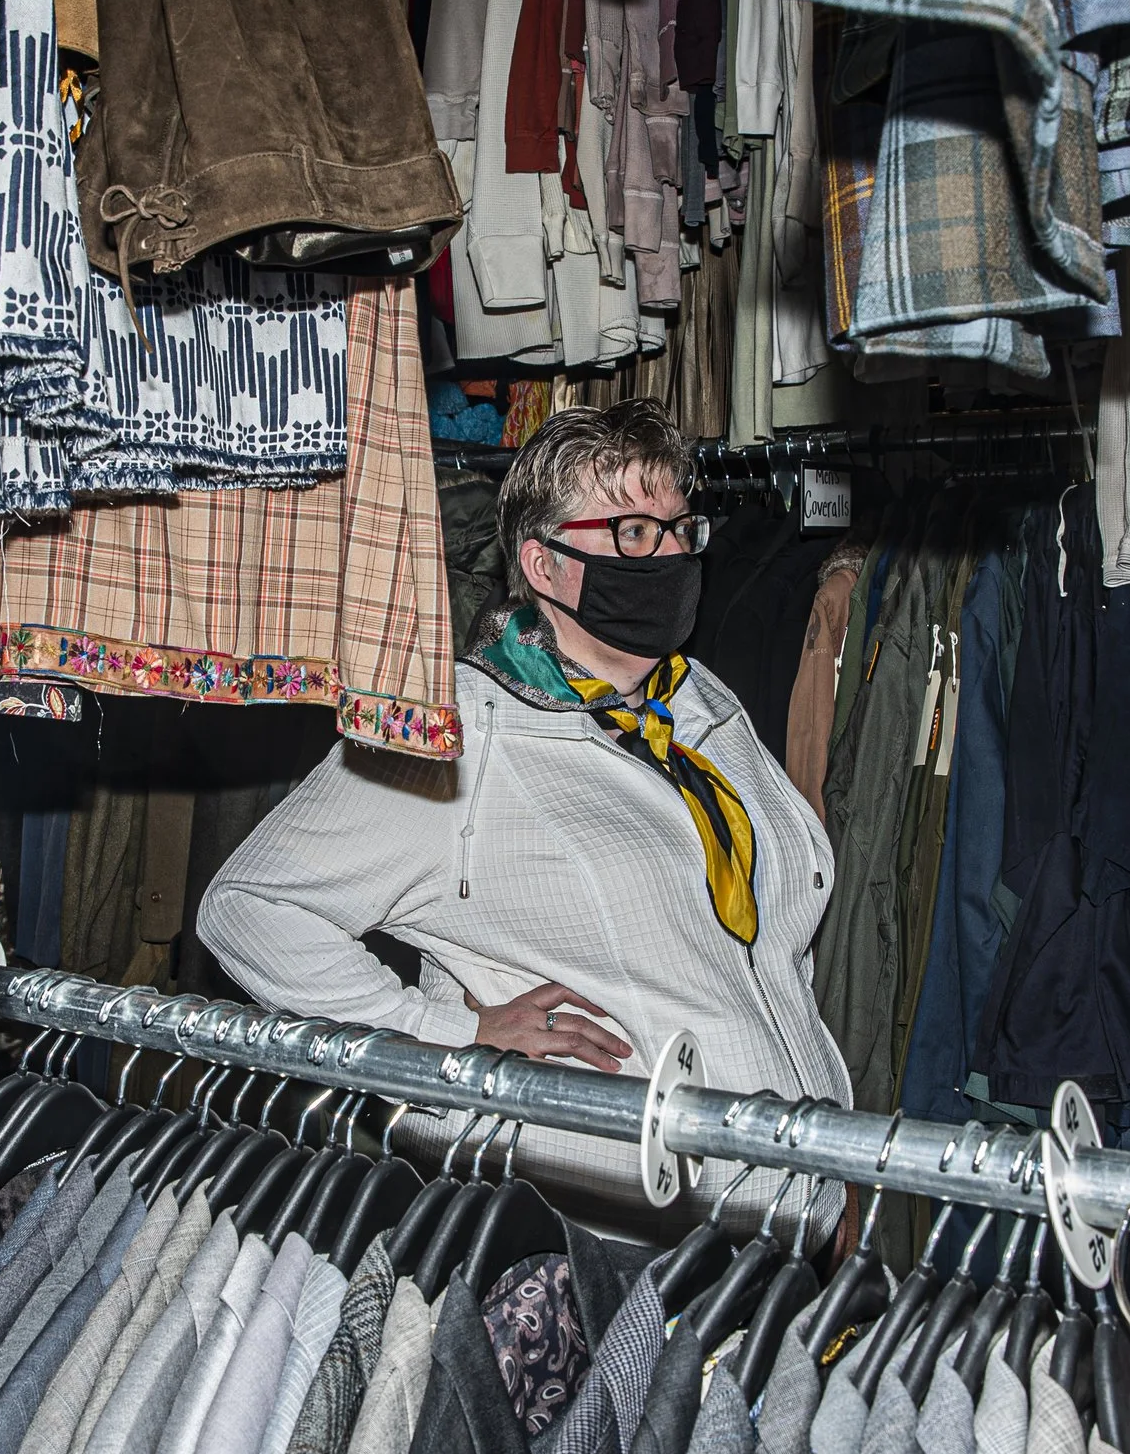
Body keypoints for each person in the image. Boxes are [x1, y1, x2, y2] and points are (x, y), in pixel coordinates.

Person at [199, 399, 852, 1233]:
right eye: (633, 534)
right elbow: (250, 908)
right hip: (619, 1234)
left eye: (682, 529)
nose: (671, 554)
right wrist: (446, 1034)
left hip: (797, 1214)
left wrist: (833, 1163)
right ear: (543, 567)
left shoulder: (695, 701)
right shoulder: (458, 733)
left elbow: (771, 957)